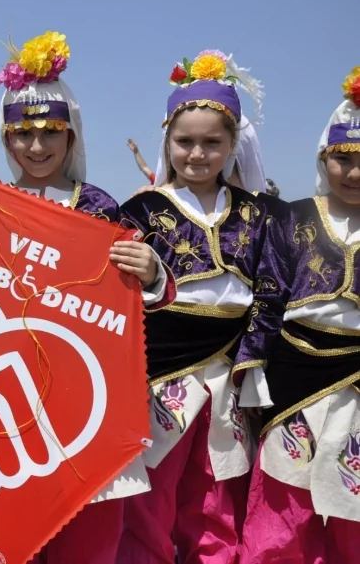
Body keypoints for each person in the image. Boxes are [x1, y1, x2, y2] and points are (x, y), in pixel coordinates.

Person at [0, 29, 175, 564]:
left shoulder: (102, 208)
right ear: (5, 139)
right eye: (22, 133)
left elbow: (145, 304)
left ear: (72, 137)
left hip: (85, 400)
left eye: (52, 131)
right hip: (7, 397)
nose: (37, 145)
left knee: (90, 540)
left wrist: (152, 273)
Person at [115, 50, 285, 563]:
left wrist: (251, 369)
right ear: (166, 141)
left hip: (229, 380)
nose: (198, 154)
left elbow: (273, 291)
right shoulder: (141, 210)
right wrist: (150, 277)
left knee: (216, 504)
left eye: (213, 143)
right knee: (149, 503)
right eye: (185, 141)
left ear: (234, 145)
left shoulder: (260, 215)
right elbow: (112, 293)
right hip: (160, 381)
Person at [240, 66, 360, 563]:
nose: (353, 173)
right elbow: (266, 297)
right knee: (283, 512)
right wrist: (251, 371)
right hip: (294, 380)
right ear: (323, 158)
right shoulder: (290, 217)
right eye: (342, 159)